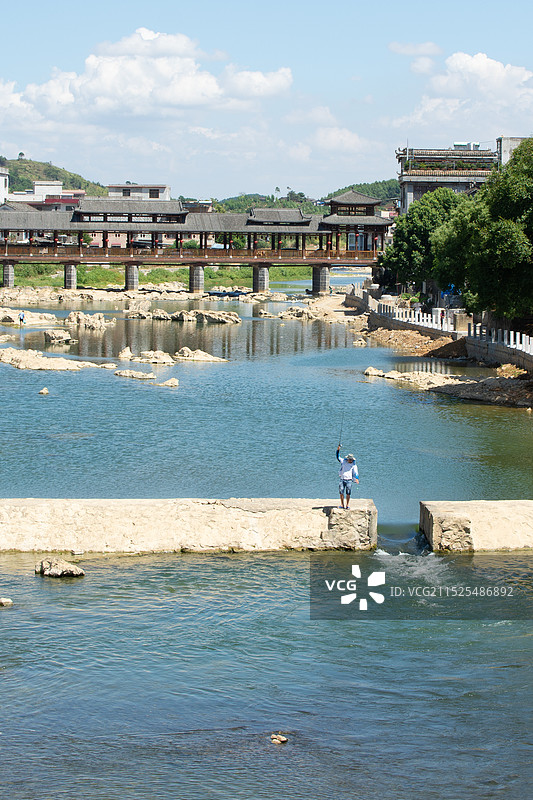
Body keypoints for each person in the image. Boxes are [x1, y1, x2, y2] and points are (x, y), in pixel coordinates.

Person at [336, 445, 359, 510]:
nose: (350, 460)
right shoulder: (343, 462)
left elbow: (355, 472)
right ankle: (342, 505)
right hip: (342, 479)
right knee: (341, 492)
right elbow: (338, 457)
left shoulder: (354, 465)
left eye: (351, 459)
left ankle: (347, 505)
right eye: (349, 459)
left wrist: (356, 478)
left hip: (349, 480)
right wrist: (338, 450)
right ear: (348, 459)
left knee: (348, 493)